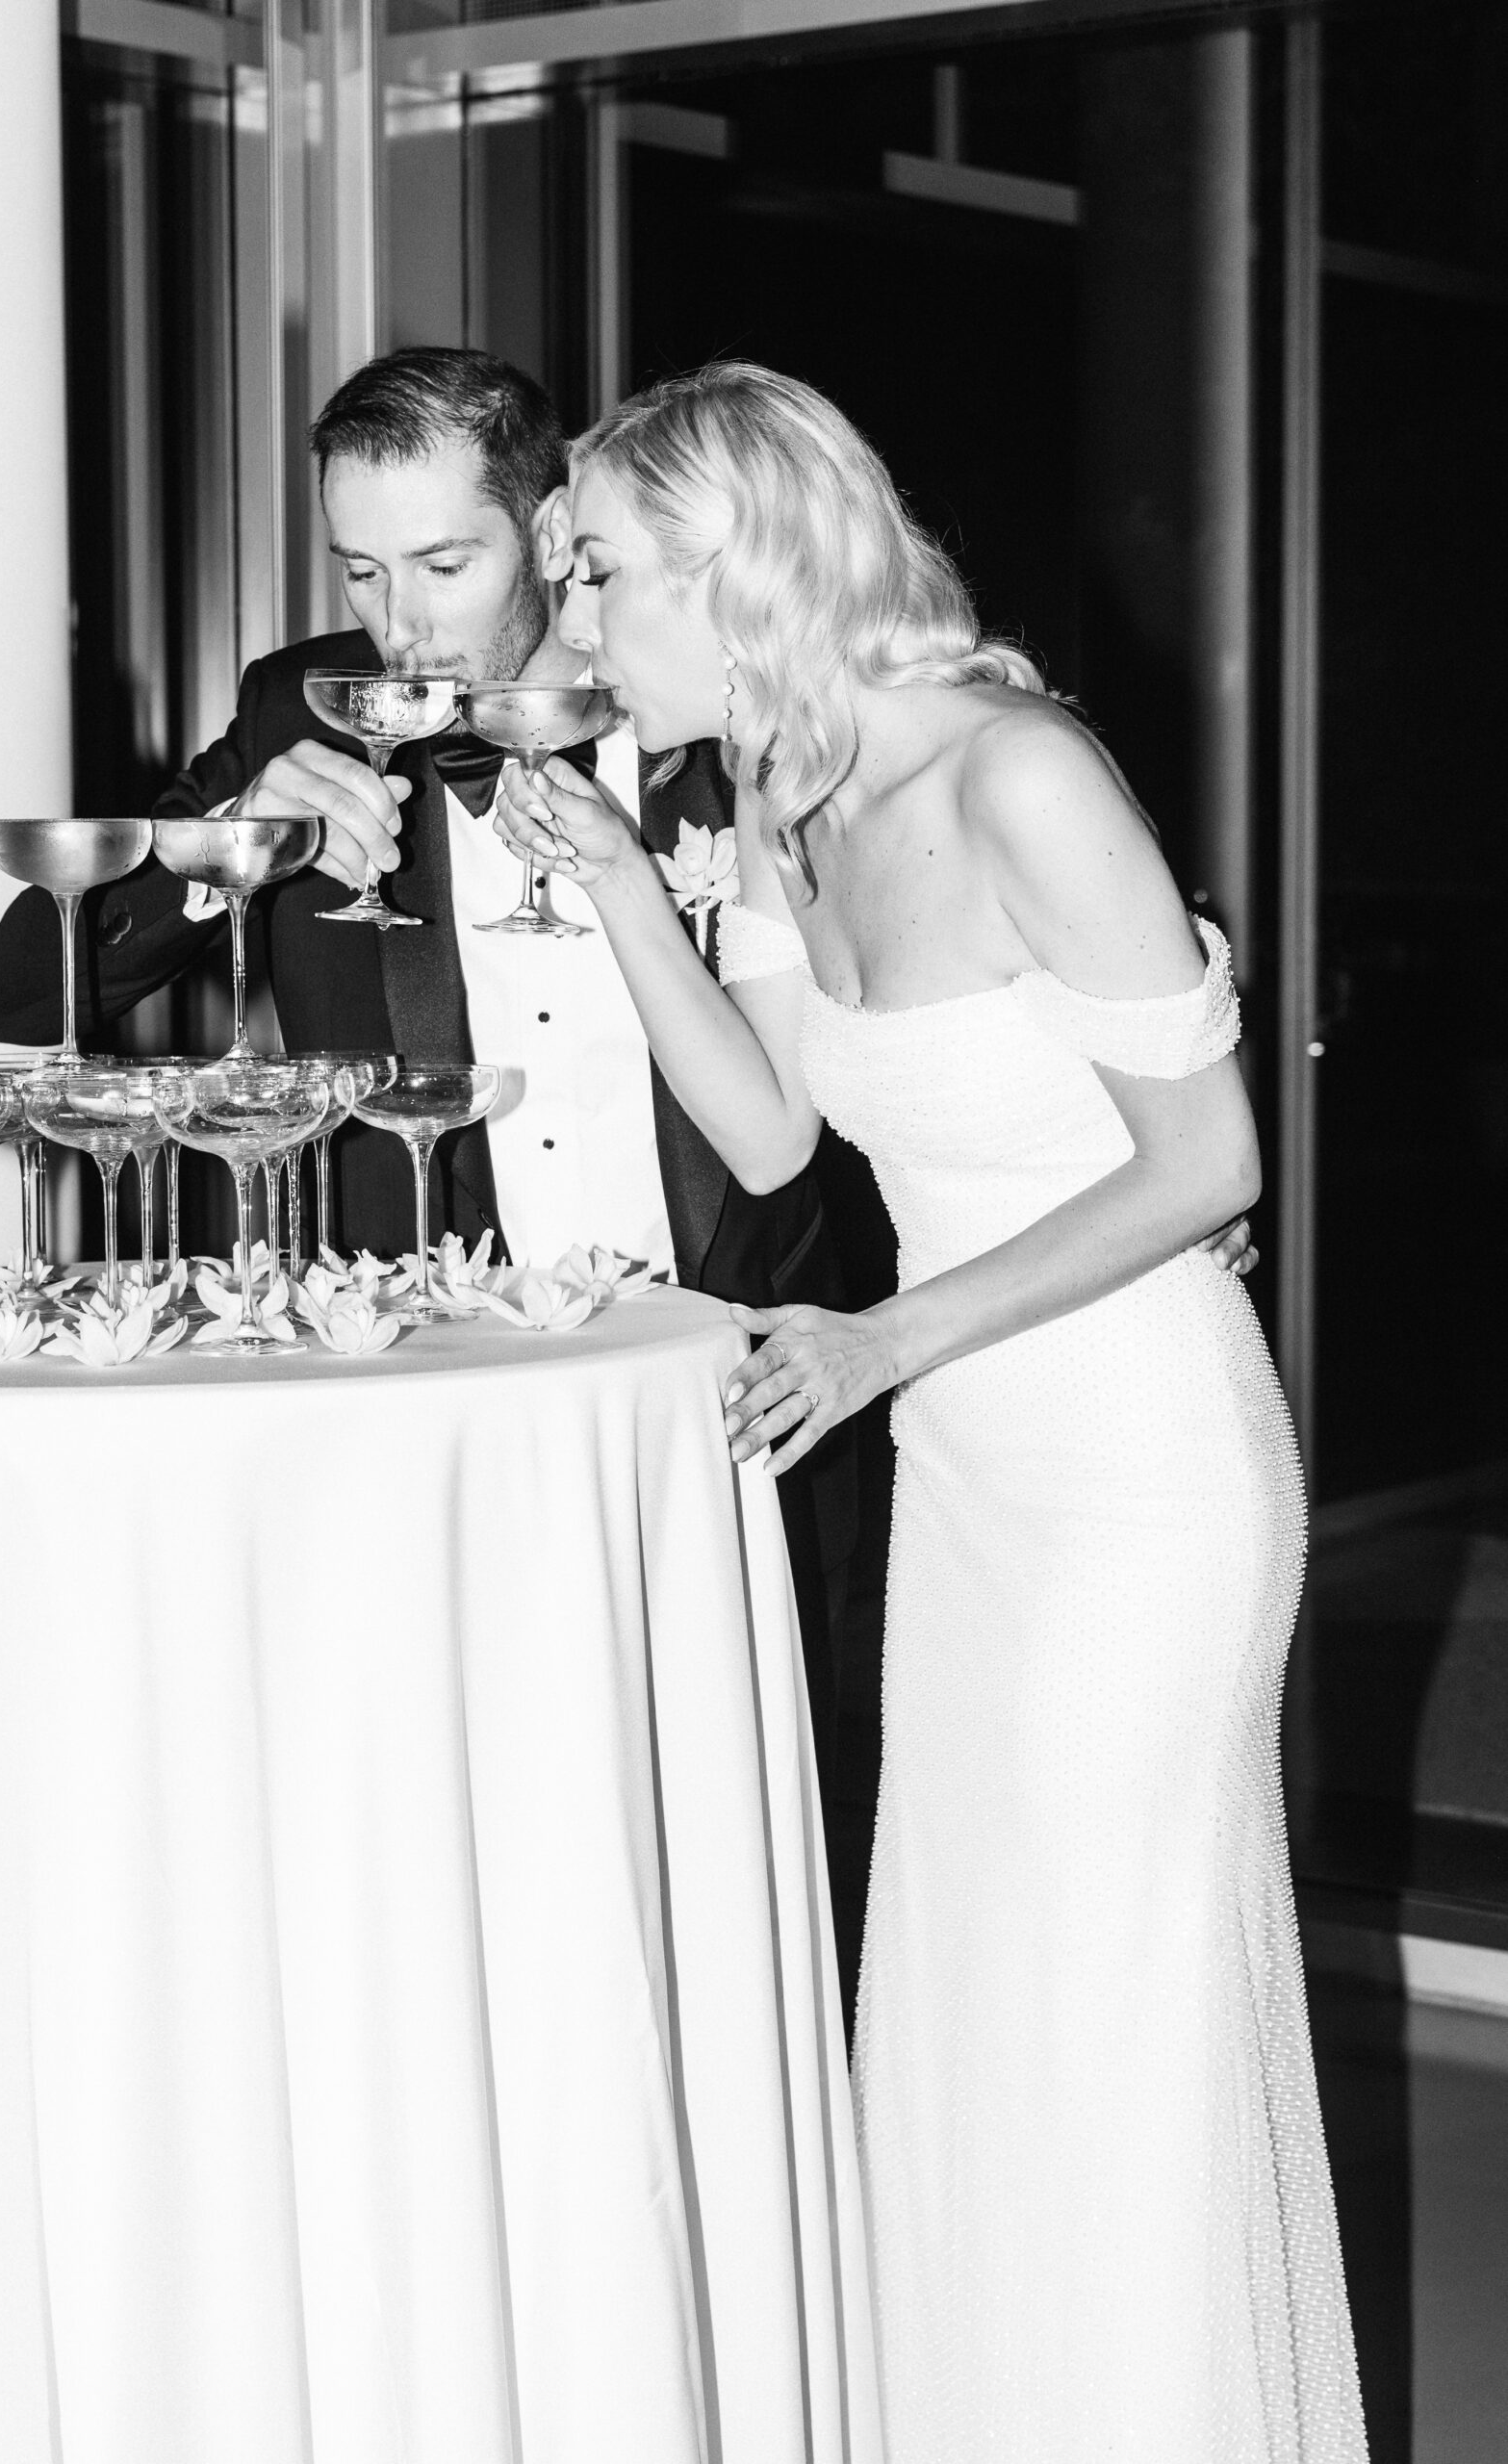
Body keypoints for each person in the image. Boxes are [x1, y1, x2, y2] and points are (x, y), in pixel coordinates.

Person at [495, 362, 1367, 2462]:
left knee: (1110, 2008)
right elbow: (781, 1134)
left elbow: (1205, 1169)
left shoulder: (1021, 777)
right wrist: (620, 880)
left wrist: (887, 1343)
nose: (573, 637)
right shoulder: (793, 804)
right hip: (982, 1475)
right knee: (979, 1993)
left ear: (738, 560)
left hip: (1145, 1479)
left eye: (599, 577)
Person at [0, 345, 856, 1781]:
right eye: (362, 574)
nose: (401, 626)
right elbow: (24, 992)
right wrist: (231, 851)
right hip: (435, 1403)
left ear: (557, 529)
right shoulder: (302, 712)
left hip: (726, 1388)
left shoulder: (714, 702)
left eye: (443, 563)